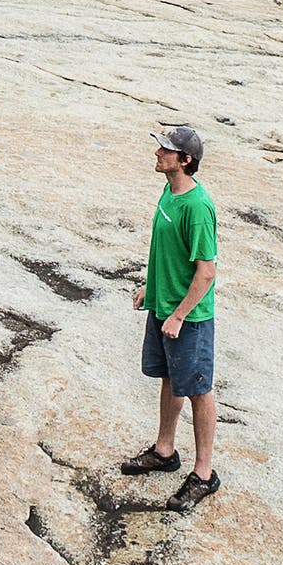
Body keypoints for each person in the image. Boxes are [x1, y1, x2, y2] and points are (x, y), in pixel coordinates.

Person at [120, 121, 221, 502]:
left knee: (198, 390)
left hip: (189, 317)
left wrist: (179, 314)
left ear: (185, 159)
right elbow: (169, 254)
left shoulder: (196, 207)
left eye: (166, 149)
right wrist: (153, 289)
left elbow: (206, 271)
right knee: (170, 379)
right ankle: (165, 452)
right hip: (165, 306)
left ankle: (204, 473)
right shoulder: (169, 192)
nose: (157, 153)